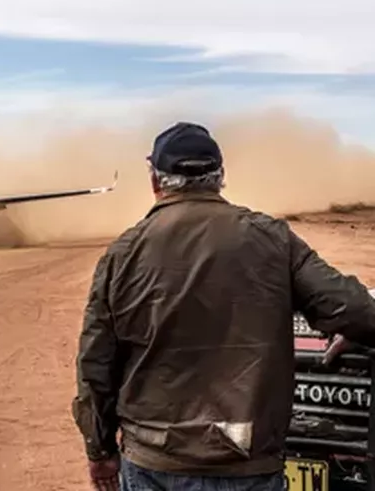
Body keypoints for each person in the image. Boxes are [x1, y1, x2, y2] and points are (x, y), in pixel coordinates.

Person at [72, 121, 375, 491]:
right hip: (248, 464)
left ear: (155, 180)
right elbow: (357, 310)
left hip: (154, 462)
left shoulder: (123, 254)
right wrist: (355, 331)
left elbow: (96, 364)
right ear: (220, 178)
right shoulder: (273, 239)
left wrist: (99, 450)